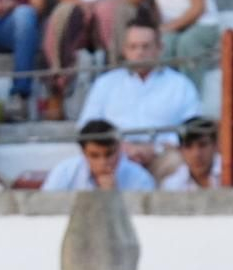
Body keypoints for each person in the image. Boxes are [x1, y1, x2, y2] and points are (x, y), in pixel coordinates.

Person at [76, 15, 198, 180]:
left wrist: (155, 149)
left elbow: (192, 128)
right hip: (116, 157)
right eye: (133, 47)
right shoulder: (105, 84)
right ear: (124, 50)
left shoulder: (180, 85)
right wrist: (121, 147)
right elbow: (86, 126)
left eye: (146, 46)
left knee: (180, 164)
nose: (139, 53)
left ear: (159, 48)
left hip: (162, 158)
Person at [38, 0, 126, 120]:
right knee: (63, 14)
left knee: (107, 13)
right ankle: (58, 91)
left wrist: (109, 5)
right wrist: (83, 5)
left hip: (120, 6)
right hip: (79, 5)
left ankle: (119, 89)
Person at [40, 117, 152, 191]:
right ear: (83, 153)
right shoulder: (64, 171)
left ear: (119, 149)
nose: (103, 162)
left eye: (109, 154)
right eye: (94, 156)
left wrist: (113, 196)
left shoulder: (140, 178)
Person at [148, 0, 218, 91]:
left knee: (188, 43)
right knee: (164, 45)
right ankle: (162, 95)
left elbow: (199, 8)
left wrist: (167, 28)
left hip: (203, 23)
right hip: (172, 27)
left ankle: (190, 95)